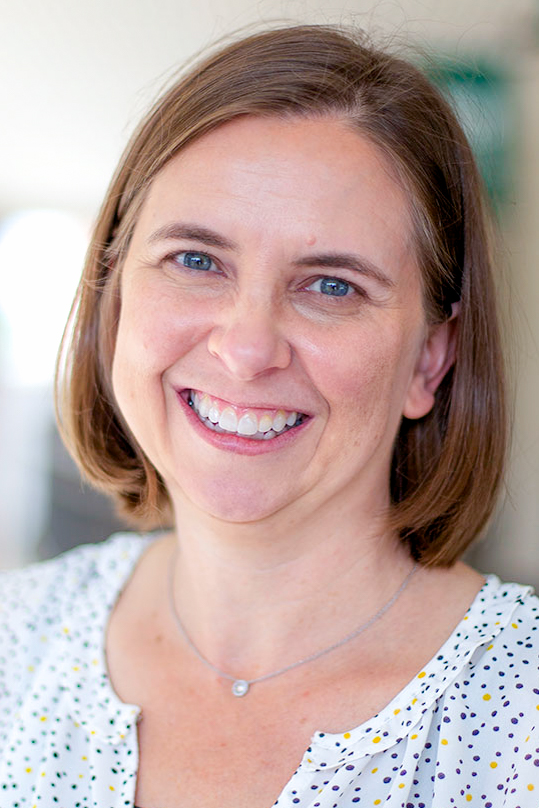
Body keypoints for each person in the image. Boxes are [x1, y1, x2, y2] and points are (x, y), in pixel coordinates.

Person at [1, 23, 538, 808]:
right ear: (114, 297)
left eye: (330, 286)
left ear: (430, 359)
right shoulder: (15, 641)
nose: (247, 349)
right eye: (195, 261)